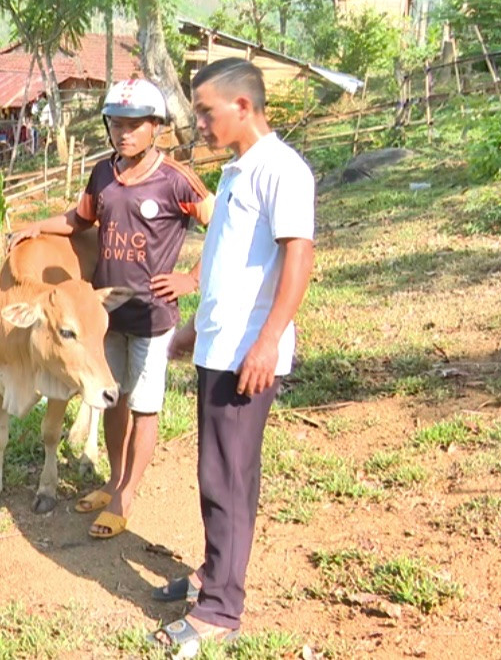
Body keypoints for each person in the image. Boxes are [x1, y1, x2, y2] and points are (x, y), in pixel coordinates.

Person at [150, 58, 315, 656]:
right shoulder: (236, 173)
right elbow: (225, 268)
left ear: (243, 107)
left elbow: (298, 258)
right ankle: (212, 573)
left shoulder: (281, 170)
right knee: (224, 472)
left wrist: (268, 340)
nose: (199, 123)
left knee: (226, 477)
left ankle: (221, 606)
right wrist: (194, 329)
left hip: (248, 353)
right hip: (221, 346)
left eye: (205, 111)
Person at [9, 78, 214, 539]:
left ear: (157, 127)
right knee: (113, 397)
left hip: (152, 317)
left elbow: (223, 226)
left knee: (144, 406)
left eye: (135, 125)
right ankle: (113, 480)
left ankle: (127, 495)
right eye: (117, 124)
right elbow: (78, 219)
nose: (125, 133)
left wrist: (193, 278)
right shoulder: (103, 174)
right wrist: (33, 226)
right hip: (104, 316)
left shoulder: (176, 179)